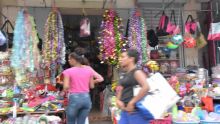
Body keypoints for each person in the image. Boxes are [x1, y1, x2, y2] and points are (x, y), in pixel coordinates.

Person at [62, 48, 104, 124]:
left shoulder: (67, 72)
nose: (68, 61)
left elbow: (66, 87)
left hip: (74, 99)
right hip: (86, 99)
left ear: (73, 59)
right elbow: (91, 86)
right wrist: (84, 82)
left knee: (71, 122)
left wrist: (67, 83)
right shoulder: (89, 69)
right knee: (81, 122)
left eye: (69, 59)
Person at [116, 49, 151, 124]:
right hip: (125, 112)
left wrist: (132, 102)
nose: (120, 59)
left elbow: (146, 87)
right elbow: (120, 88)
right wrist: (118, 100)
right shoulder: (124, 74)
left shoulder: (137, 72)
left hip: (136, 113)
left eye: (123, 57)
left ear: (131, 59)